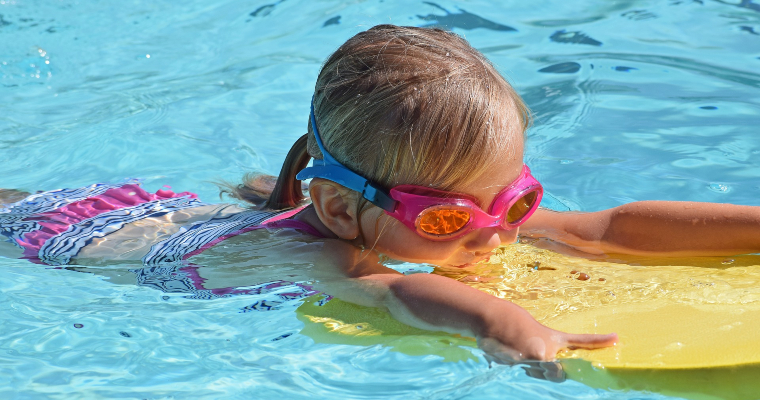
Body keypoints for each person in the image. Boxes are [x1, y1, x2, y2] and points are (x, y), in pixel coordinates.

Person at [2, 25, 759, 363]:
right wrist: (507, 326)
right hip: (73, 240)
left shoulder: (471, 220)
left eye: (517, 202)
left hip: (172, 212)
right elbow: (396, 298)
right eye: (447, 218)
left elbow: (606, 230)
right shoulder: (332, 258)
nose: (496, 235)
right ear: (341, 212)